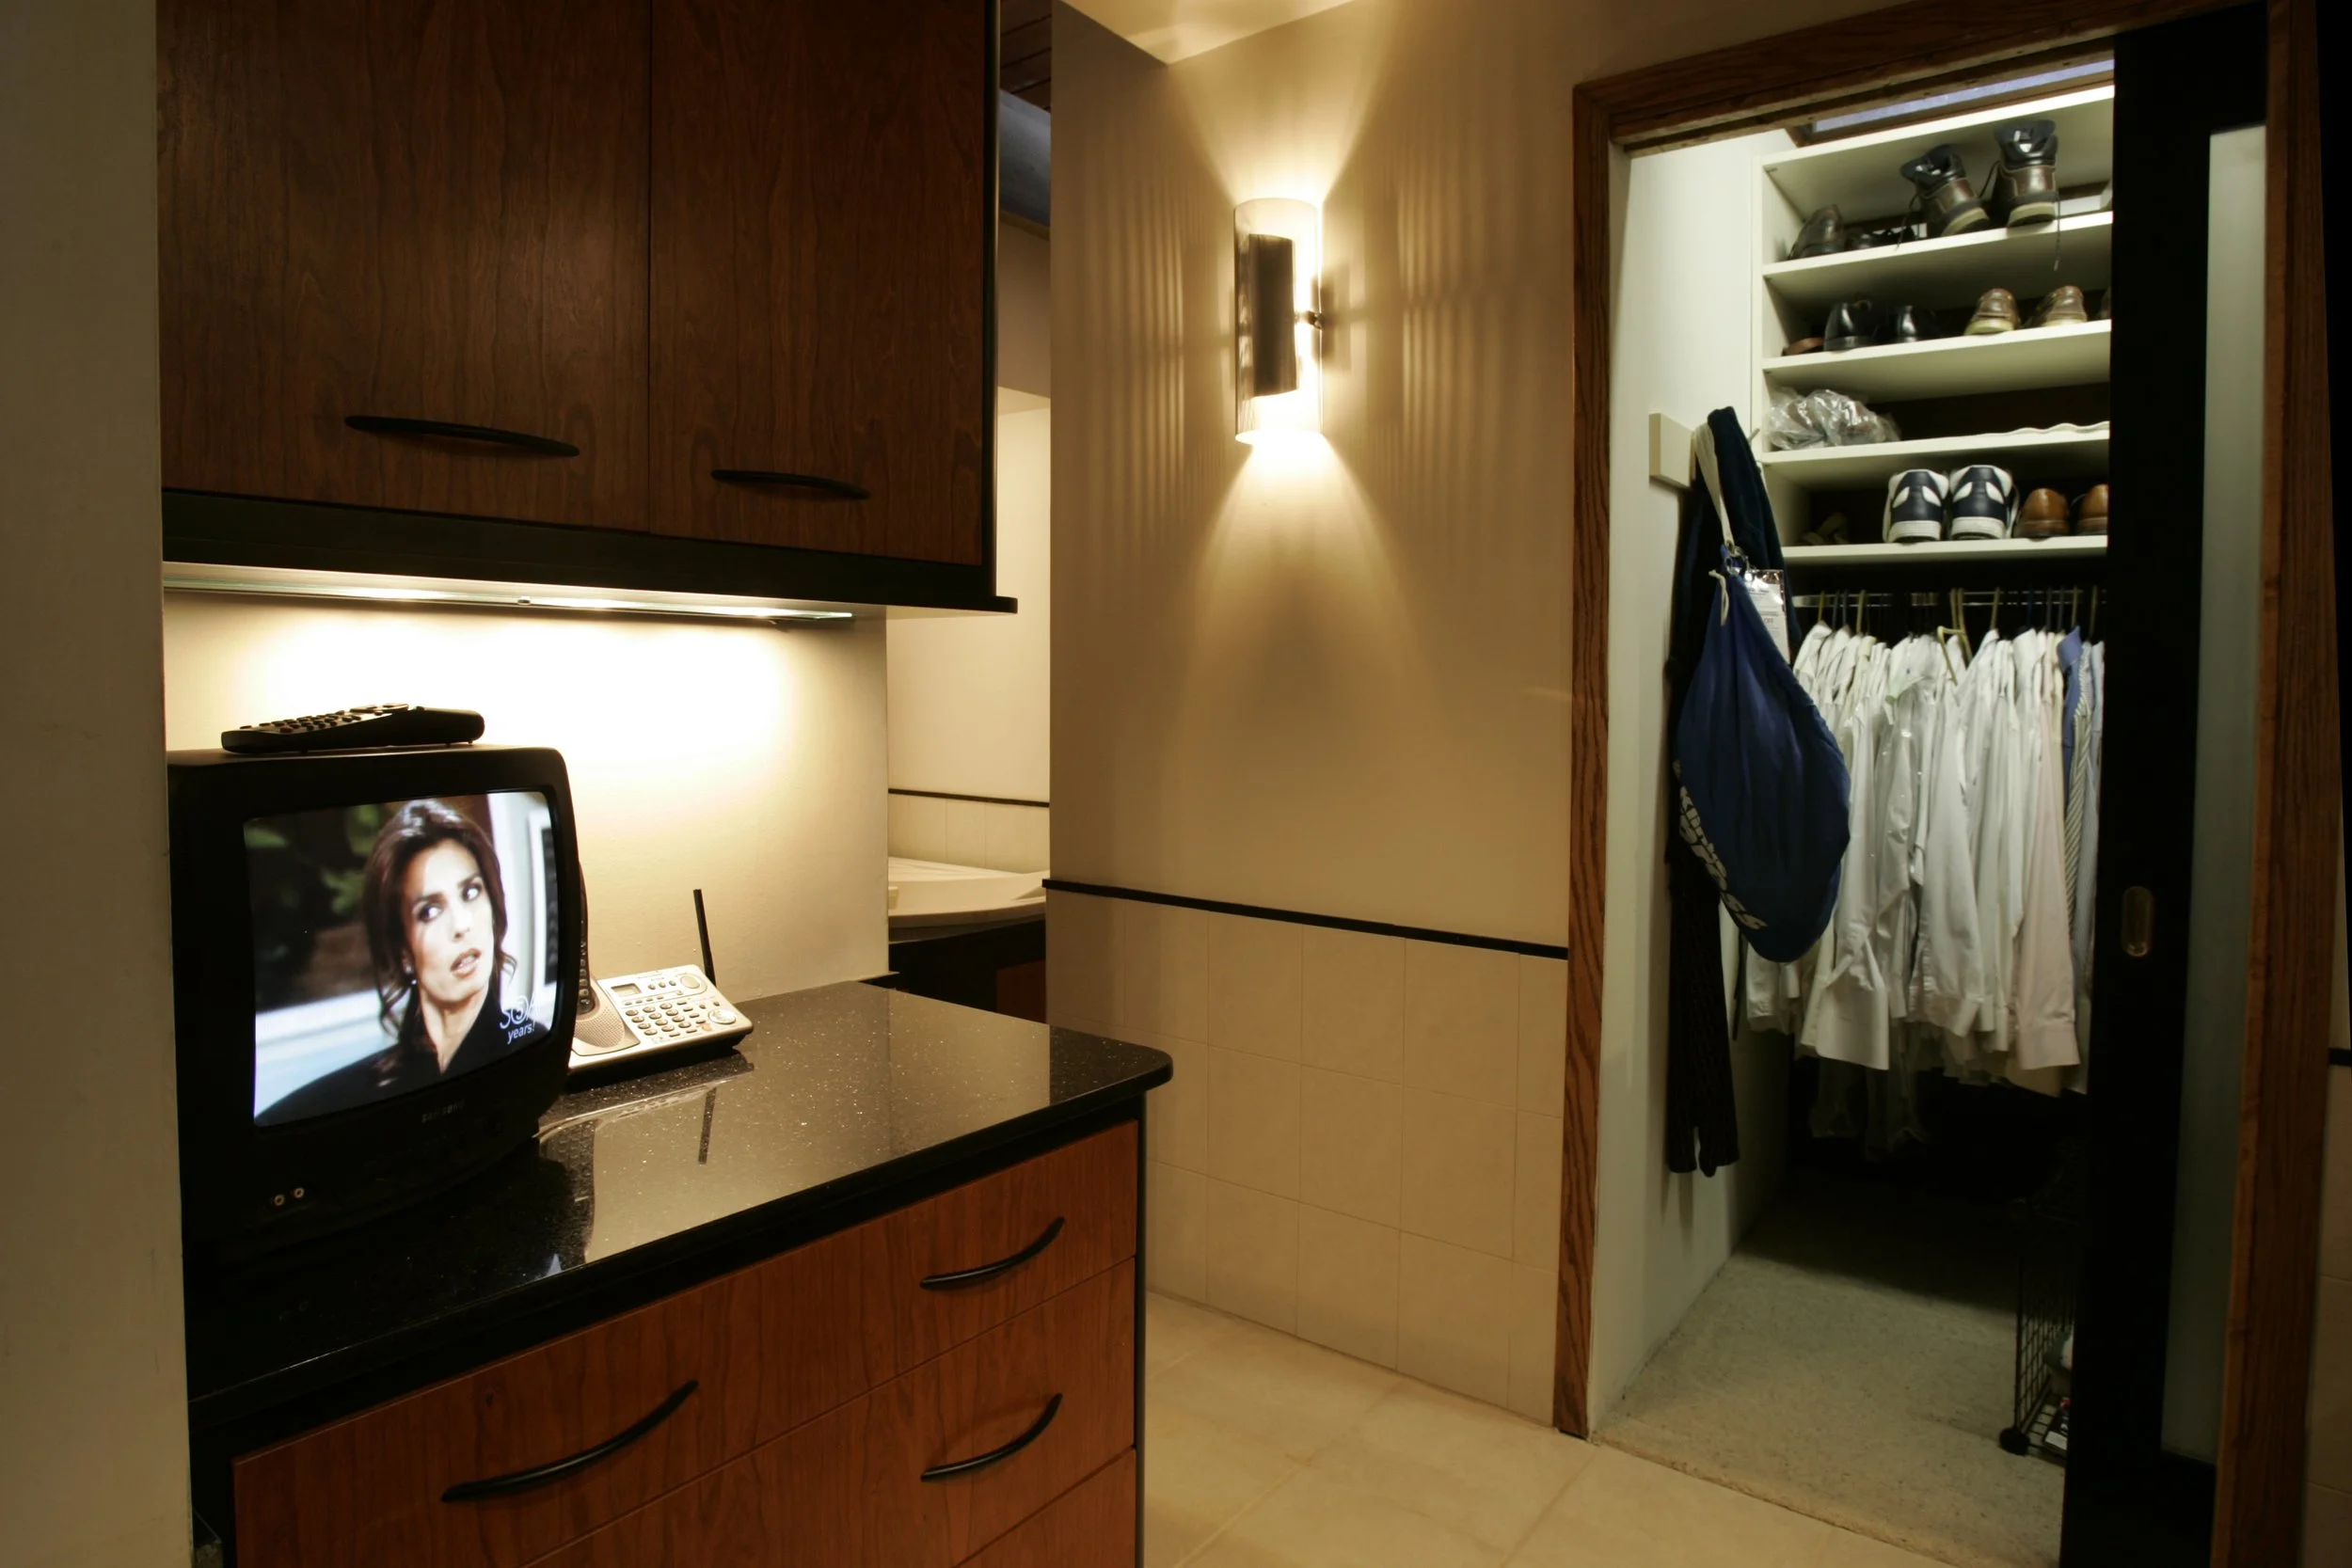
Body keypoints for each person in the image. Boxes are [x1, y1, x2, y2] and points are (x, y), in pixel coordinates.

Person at [260, 800, 547, 1123]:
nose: (462, 925)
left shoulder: (528, 1045)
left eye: (470, 892)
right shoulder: (372, 1091)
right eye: (430, 911)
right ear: (403, 954)